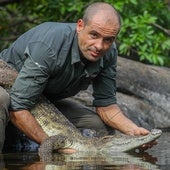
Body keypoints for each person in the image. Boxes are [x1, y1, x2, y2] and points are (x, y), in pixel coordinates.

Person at [0, 2, 156, 153]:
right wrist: (57, 147)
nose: (99, 46)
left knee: (98, 126)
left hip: (44, 101)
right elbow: (18, 107)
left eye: (108, 39)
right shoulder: (50, 46)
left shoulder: (108, 53)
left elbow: (106, 106)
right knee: (2, 99)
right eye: (94, 35)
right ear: (80, 26)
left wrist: (134, 131)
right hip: (11, 92)